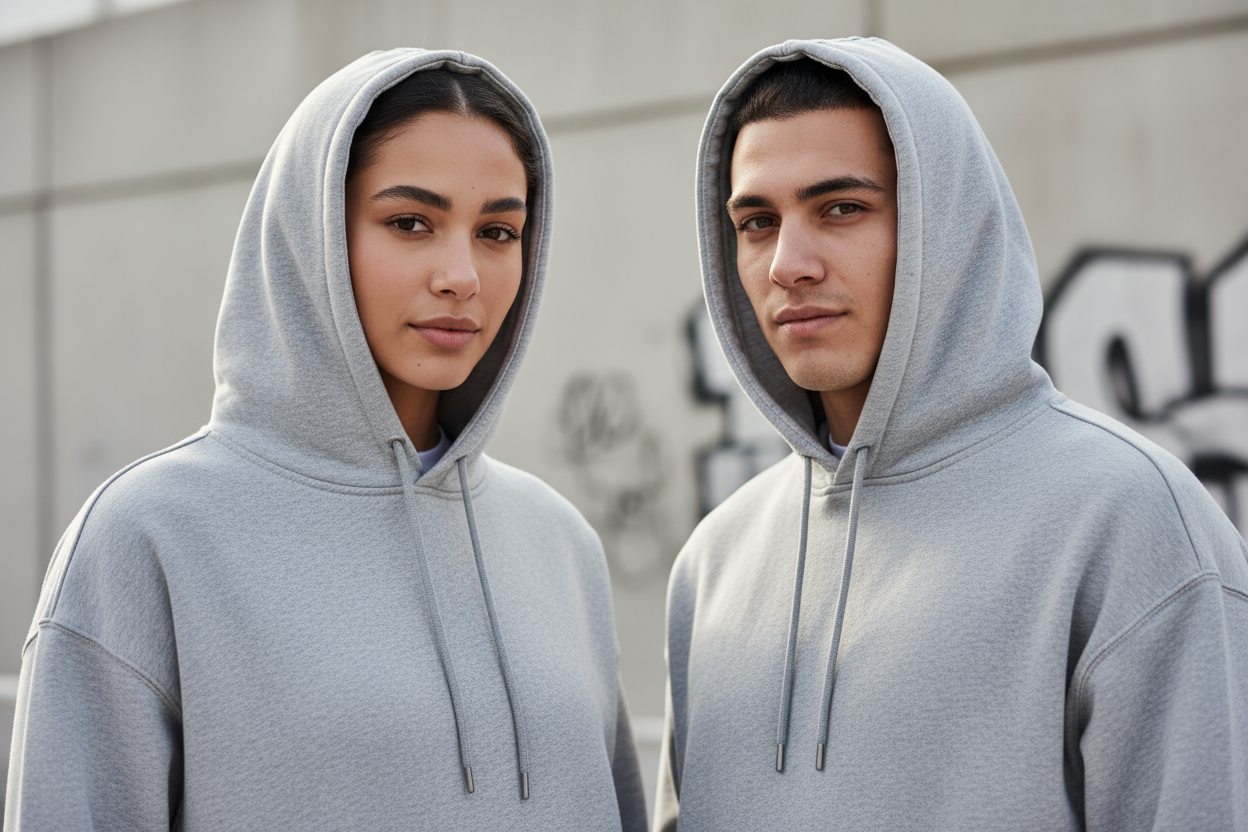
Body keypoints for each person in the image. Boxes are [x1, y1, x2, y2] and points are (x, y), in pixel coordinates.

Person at [6, 49, 646, 830]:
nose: (462, 274)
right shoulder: (146, 537)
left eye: (498, 231)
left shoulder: (558, 542)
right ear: (311, 235)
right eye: (411, 222)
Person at [656, 38, 1248, 831]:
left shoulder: (1130, 520)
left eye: (841, 209)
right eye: (758, 222)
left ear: (949, 227)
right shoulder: (717, 560)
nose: (786, 264)